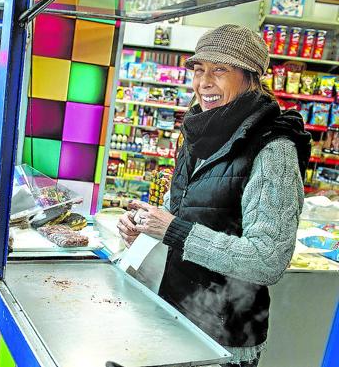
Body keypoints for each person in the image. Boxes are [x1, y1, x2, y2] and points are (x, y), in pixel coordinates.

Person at [117, 24, 310, 367]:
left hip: (222, 339)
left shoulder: (273, 150)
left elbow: (267, 260)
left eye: (220, 69)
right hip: (176, 313)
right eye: (199, 69)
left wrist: (172, 230)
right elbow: (188, 208)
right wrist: (145, 225)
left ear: (251, 77)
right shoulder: (200, 132)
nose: (204, 81)